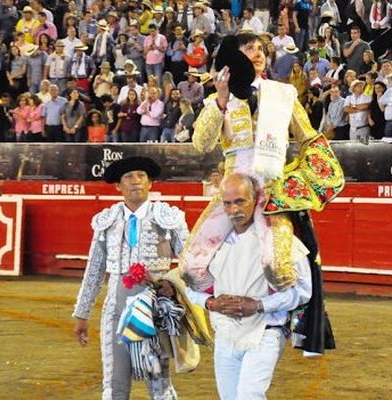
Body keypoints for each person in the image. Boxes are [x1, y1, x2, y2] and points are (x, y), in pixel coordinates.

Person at [182, 32, 343, 304]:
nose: (258, 53)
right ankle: (225, 301)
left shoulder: (283, 93)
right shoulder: (217, 100)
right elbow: (201, 144)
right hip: (234, 191)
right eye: (249, 48)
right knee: (190, 268)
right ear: (235, 57)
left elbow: (308, 136)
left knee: (277, 267)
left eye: (260, 48)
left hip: (272, 190)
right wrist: (221, 99)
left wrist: (312, 176)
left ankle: (285, 318)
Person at [73, 157, 205, 400]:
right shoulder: (108, 220)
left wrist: (171, 283)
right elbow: (94, 269)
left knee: (159, 380)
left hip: (155, 306)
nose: (135, 181)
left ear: (150, 183)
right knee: (114, 383)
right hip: (116, 308)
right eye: (128, 177)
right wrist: (82, 314)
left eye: (141, 176)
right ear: (118, 186)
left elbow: (191, 263)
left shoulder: (167, 217)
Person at [187, 173, 312, 400]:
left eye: (240, 201)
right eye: (227, 203)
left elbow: (303, 291)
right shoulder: (211, 244)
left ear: (255, 200)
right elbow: (190, 287)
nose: (234, 210)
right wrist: (210, 302)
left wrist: (259, 305)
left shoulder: (278, 241)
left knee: (249, 395)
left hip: (265, 332)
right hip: (225, 333)